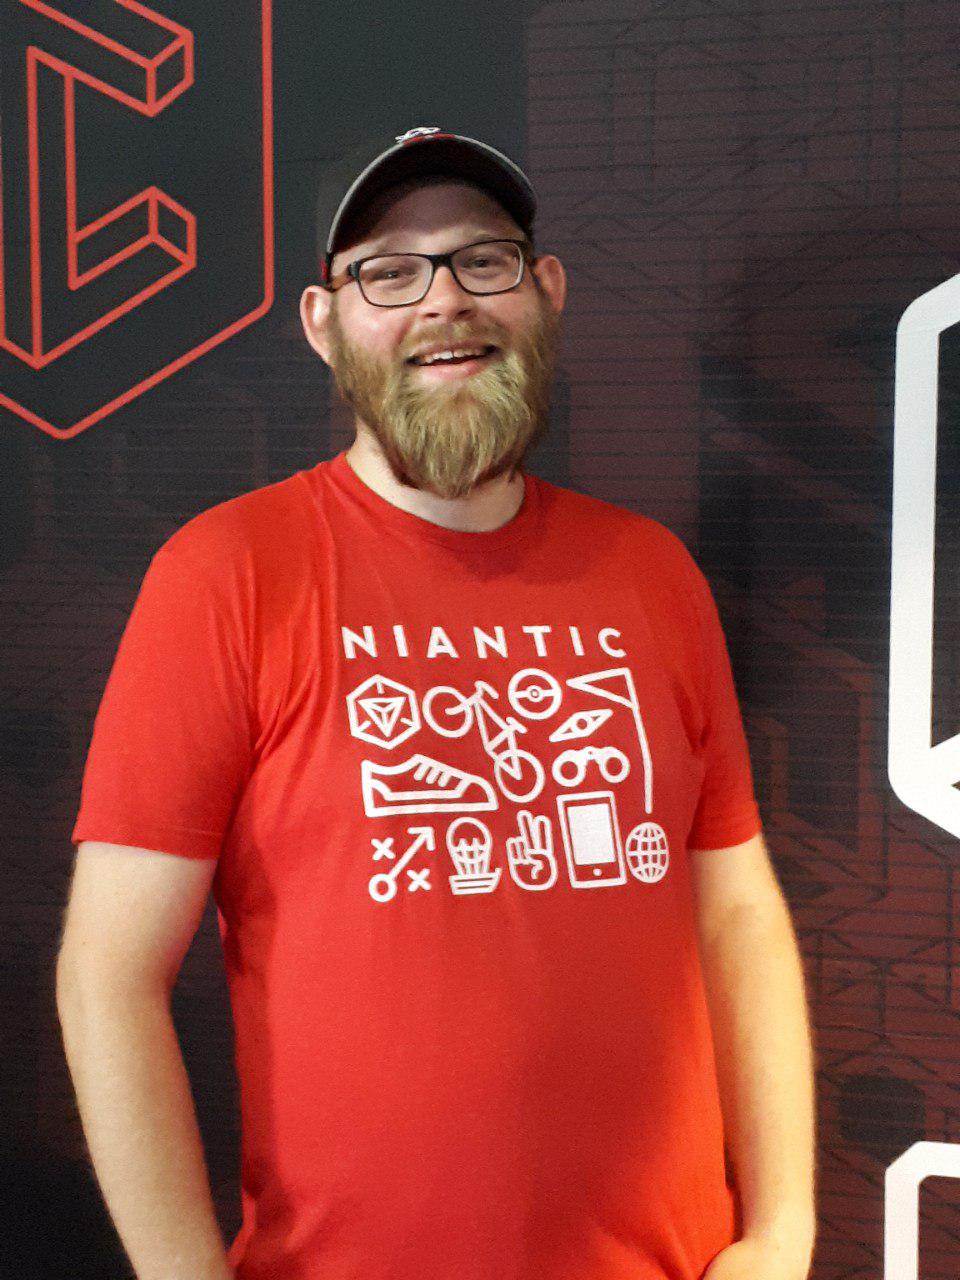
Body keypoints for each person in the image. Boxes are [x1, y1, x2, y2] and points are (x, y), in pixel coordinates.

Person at [57, 126, 817, 1280]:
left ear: (545, 291)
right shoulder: (229, 574)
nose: (444, 301)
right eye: (389, 272)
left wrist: (783, 1228)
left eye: (481, 259)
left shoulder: (653, 572)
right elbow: (109, 973)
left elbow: (737, 915)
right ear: (324, 323)